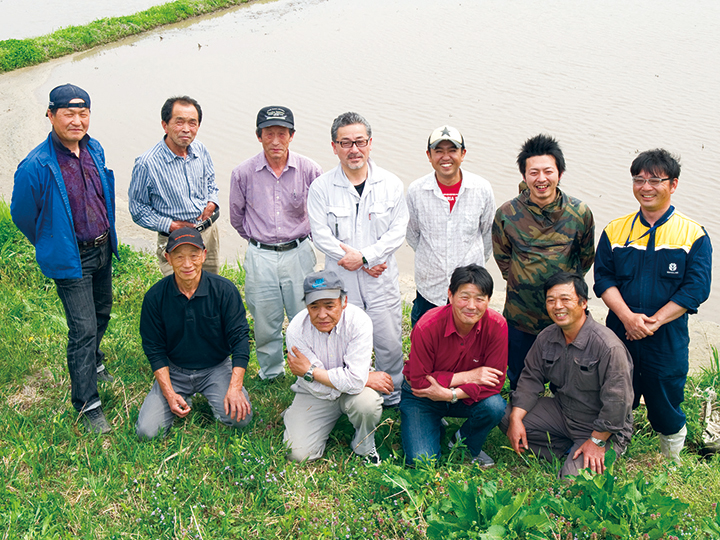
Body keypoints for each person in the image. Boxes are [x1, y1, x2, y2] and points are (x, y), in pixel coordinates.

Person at [11, 83, 118, 434]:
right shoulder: (36, 165)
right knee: (83, 329)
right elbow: (23, 215)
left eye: (83, 113)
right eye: (68, 114)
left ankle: (95, 362)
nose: (77, 120)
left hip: (102, 247)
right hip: (71, 258)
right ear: (51, 114)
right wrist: (52, 240)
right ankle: (88, 403)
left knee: (102, 313)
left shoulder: (95, 149)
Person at [594, 149, 712, 460]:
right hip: (620, 333)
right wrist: (628, 318)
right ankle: (612, 453)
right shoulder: (615, 230)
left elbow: (695, 290)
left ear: (673, 184)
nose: (646, 187)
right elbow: (604, 279)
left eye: (655, 180)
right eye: (639, 179)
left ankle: (671, 464)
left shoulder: (693, 234)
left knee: (666, 400)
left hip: (667, 337)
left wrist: (655, 321)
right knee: (616, 394)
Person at [307, 112, 409, 406]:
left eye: (360, 141)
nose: (354, 149)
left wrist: (366, 256)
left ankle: (393, 398)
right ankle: (348, 393)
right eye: (346, 142)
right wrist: (359, 260)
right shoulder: (321, 187)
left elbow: (397, 230)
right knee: (344, 340)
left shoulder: (390, 184)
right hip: (343, 281)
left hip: (381, 280)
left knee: (388, 343)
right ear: (334, 146)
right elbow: (320, 234)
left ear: (370, 143)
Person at [501, 272, 634, 478]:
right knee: (506, 417)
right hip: (563, 413)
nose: (557, 306)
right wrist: (516, 418)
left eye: (565, 299)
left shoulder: (608, 346)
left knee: (571, 483)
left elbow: (618, 402)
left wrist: (597, 441)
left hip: (601, 427)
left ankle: (596, 452)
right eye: (551, 300)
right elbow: (530, 378)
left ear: (583, 303)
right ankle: (569, 449)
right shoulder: (547, 336)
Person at [492, 134, 595, 390]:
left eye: (548, 171)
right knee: (521, 376)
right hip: (520, 315)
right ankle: (520, 420)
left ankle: (562, 421)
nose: (541, 179)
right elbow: (503, 259)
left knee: (567, 379)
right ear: (524, 176)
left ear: (559, 173)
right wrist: (525, 280)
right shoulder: (507, 214)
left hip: (565, 316)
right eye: (533, 172)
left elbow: (585, 259)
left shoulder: (579, 213)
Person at [229, 106, 323, 381]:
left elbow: (319, 215)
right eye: (269, 133)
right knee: (264, 319)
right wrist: (260, 243)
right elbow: (237, 217)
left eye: (281, 133)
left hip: (299, 252)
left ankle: (307, 370)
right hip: (261, 255)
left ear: (291, 135)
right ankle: (270, 372)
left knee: (305, 315)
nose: (275, 140)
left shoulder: (309, 169)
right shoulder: (243, 173)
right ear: (259, 136)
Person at [135, 228, 252, 439]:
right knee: (147, 432)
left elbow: (240, 339)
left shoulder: (225, 291)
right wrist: (169, 393)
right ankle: (178, 397)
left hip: (215, 367)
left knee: (240, 420)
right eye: (179, 257)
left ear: (204, 256)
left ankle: (221, 394)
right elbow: (154, 349)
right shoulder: (155, 297)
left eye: (194, 256)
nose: (187, 264)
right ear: (168, 259)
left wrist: (235, 388)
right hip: (175, 370)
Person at [400, 264, 507, 466]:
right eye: (464, 297)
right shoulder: (427, 325)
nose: (471, 306)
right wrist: (470, 376)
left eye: (480, 299)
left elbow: (495, 383)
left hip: (462, 397)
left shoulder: (497, 325)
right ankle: (432, 422)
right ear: (450, 295)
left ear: (489, 300)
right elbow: (419, 382)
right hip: (423, 397)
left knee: (495, 406)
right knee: (421, 461)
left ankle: (464, 444)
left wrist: (451, 395)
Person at [283, 270, 386, 464]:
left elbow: (354, 383)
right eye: (314, 306)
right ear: (306, 305)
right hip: (314, 394)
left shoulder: (359, 322)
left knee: (367, 404)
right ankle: (296, 416)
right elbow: (320, 386)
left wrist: (310, 372)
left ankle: (364, 445)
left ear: (344, 301)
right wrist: (362, 378)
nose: (322, 315)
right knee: (298, 454)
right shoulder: (296, 329)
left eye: (330, 305)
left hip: (353, 391)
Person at [406, 126, 496, 327]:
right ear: (429, 155)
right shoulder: (416, 191)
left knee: (468, 347)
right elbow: (412, 234)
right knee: (425, 342)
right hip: (430, 286)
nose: (445, 157)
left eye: (452, 150)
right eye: (439, 151)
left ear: (463, 154)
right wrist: (433, 258)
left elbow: (489, 234)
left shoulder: (481, 189)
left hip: (470, 288)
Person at [129, 96, 220, 276]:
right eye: (179, 122)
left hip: (208, 233)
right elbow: (137, 209)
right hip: (175, 239)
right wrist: (172, 226)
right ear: (165, 125)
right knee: (180, 293)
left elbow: (211, 181)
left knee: (211, 286)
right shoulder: (147, 164)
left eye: (192, 123)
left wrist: (212, 203)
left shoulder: (200, 149)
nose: (186, 129)